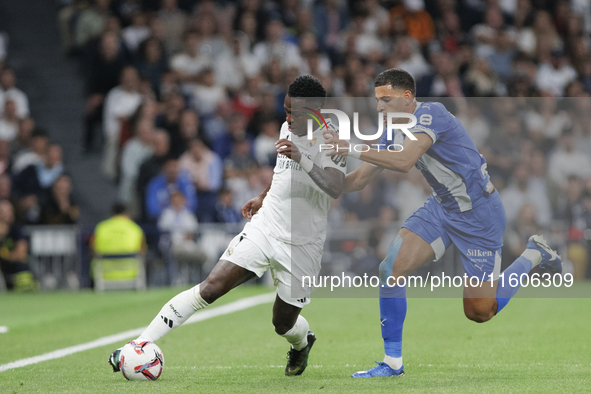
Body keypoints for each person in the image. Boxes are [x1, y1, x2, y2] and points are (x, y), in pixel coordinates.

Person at [323, 68, 563, 378]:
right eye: (377, 101)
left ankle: (534, 255)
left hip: (479, 215)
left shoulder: (431, 114)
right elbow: (357, 181)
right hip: (442, 207)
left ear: (408, 97)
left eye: (386, 100)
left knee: (479, 312)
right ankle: (392, 362)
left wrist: (348, 146)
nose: (379, 107)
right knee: (390, 268)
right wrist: (318, 180)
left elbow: (405, 161)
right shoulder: (391, 130)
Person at [108, 75, 346, 377]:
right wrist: (263, 196)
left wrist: (302, 156)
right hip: (268, 225)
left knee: (282, 323)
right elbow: (284, 172)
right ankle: (139, 344)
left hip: (303, 243)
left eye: (293, 113)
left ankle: (303, 343)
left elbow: (335, 186)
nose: (286, 119)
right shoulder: (289, 126)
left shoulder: (332, 138)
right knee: (211, 286)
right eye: (285, 110)